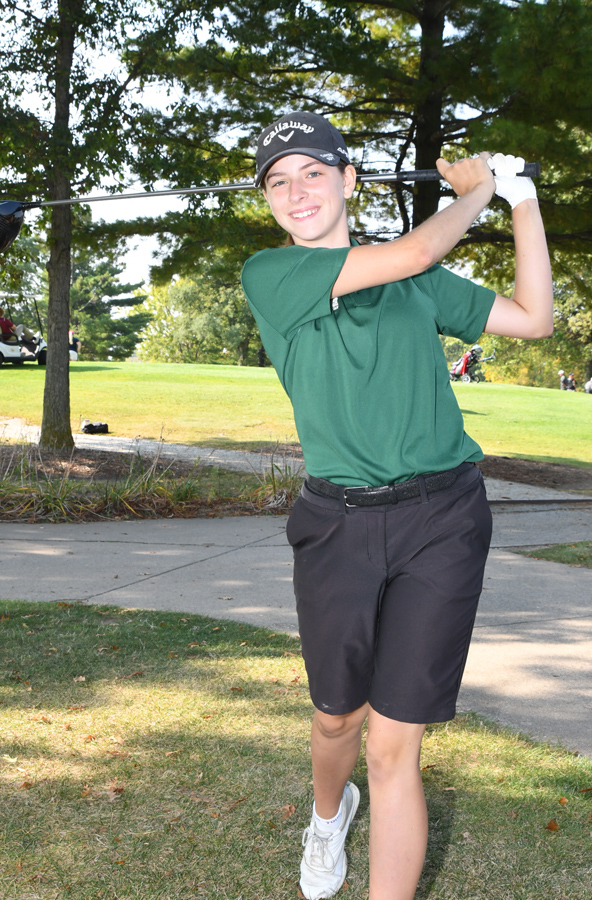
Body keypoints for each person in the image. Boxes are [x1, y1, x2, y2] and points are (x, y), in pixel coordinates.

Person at [241, 111, 553, 900]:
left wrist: (521, 201)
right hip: (338, 524)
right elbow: (416, 245)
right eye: (278, 181)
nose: (296, 191)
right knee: (336, 720)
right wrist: (475, 193)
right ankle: (326, 814)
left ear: (350, 181)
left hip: (442, 520)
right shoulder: (270, 275)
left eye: (313, 171)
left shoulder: (416, 281)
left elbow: (533, 317)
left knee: (395, 744)